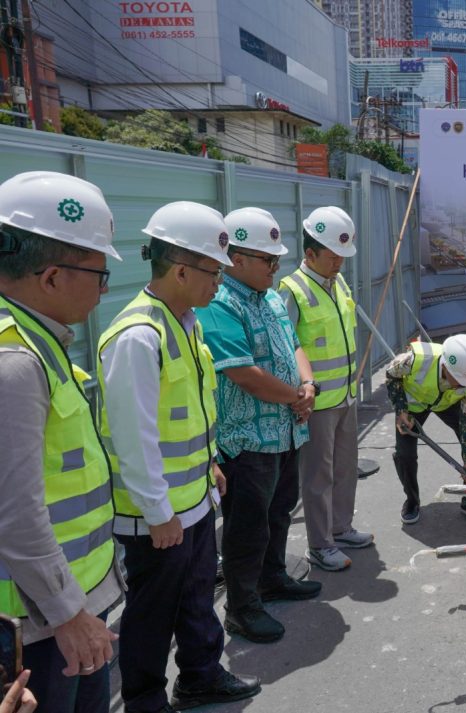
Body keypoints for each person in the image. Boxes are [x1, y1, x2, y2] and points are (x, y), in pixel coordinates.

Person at [97, 202, 260, 711]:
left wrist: (209, 463)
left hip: (191, 499)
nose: (220, 281)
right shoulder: (138, 336)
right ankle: (145, 702)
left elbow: (189, 411)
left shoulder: (185, 321)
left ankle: (200, 676)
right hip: (159, 515)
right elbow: (134, 436)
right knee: (151, 614)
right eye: (215, 271)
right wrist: (158, 511)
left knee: (194, 600)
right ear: (182, 269)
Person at [0, 171, 123, 713]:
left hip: (66, 606)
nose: (103, 289)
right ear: (51, 277)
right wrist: (67, 613)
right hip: (42, 626)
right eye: (98, 274)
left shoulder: (39, 342)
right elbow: (15, 512)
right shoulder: (16, 363)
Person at [196, 206, 320, 645]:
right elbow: (243, 373)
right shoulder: (219, 303)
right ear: (237, 259)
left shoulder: (268, 296)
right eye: (268, 260)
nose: (275, 267)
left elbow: (295, 342)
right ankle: (242, 608)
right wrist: (297, 396)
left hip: (286, 431)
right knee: (247, 528)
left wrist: (306, 383)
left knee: (279, 513)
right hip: (247, 440)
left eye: (277, 260)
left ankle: (273, 579)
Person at [279, 206, 372, 572]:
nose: (338, 264)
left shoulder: (338, 282)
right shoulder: (292, 291)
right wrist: (301, 391)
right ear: (309, 253)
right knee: (318, 476)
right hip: (315, 405)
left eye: (342, 257)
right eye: (332, 257)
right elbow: (286, 348)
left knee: (345, 468)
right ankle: (320, 544)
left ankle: (341, 527)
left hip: (345, 397)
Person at [386, 335, 466, 525]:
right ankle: (412, 501)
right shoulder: (414, 359)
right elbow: (391, 375)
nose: (464, 386)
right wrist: (401, 409)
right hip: (414, 403)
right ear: (445, 366)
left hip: (446, 403)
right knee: (405, 454)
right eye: (459, 381)